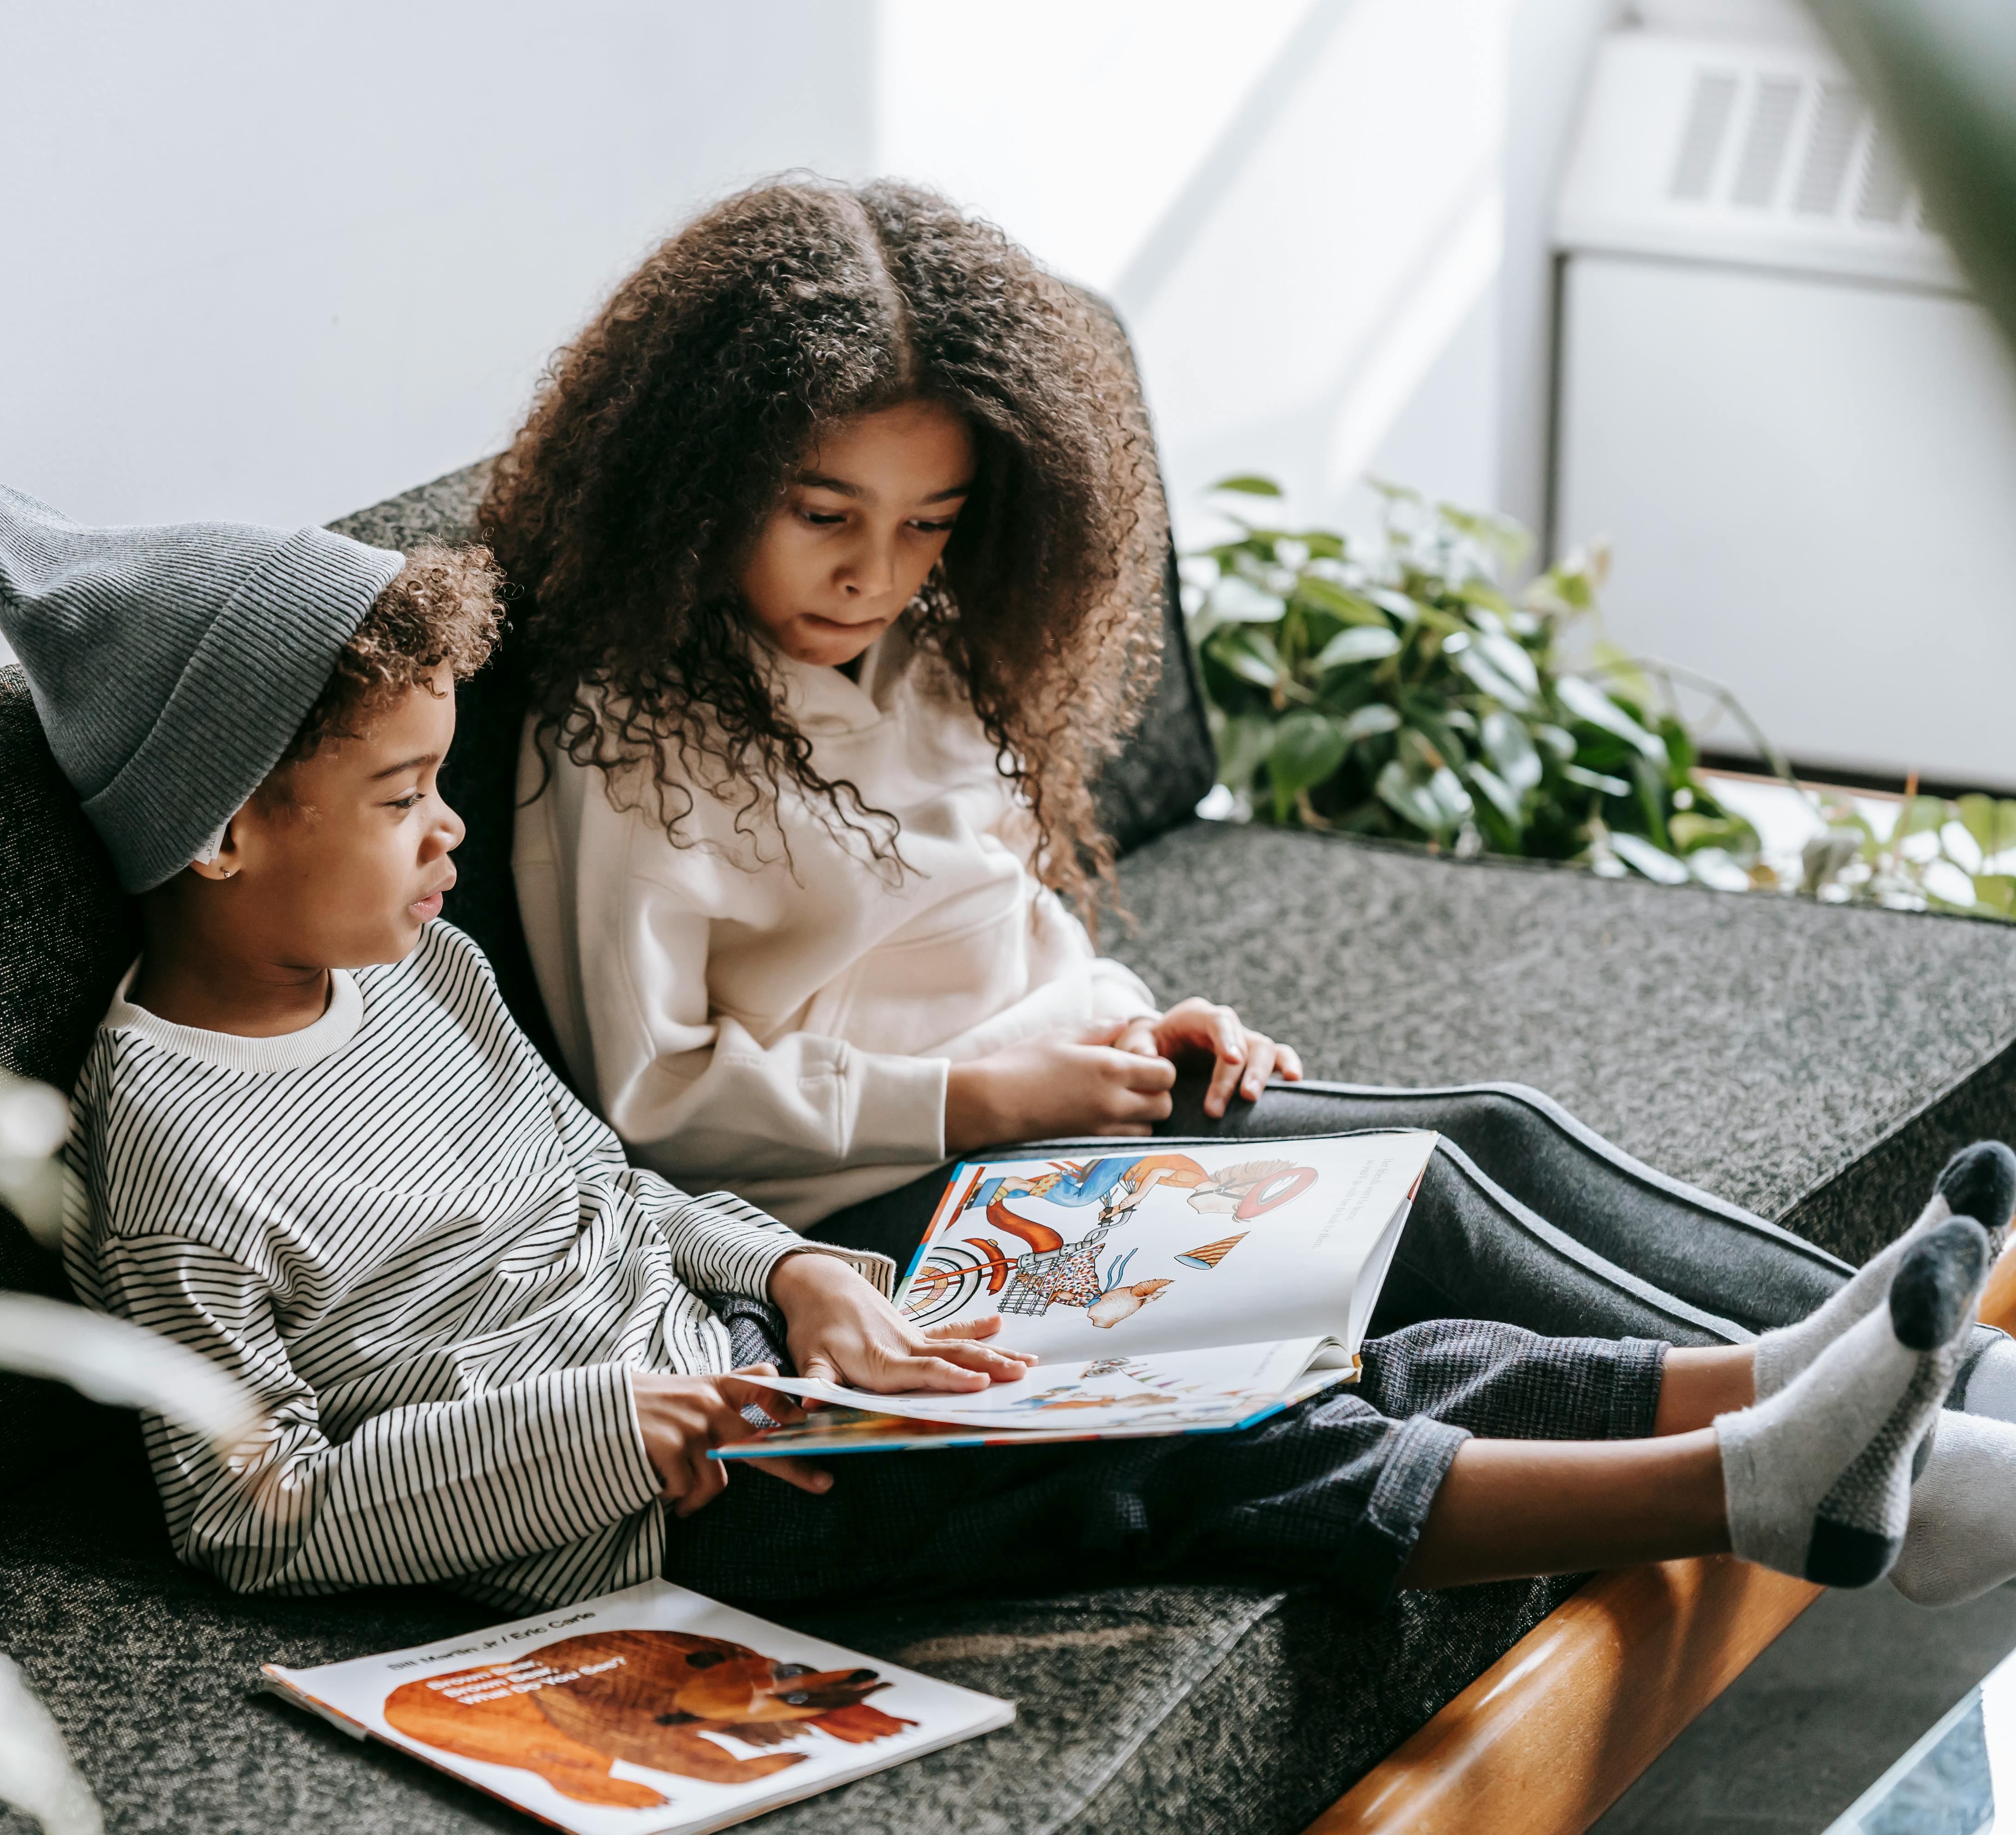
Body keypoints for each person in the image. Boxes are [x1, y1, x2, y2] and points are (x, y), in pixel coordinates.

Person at [0, 466, 2016, 1619]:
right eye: (402, 799)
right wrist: (629, 1429)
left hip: (775, 1370)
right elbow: (255, 1514)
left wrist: (808, 1270)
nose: (449, 832)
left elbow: (615, 1185)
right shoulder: (168, 1150)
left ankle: (1803, 1390)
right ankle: (1751, 1488)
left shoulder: (424, 979)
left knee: (1288, 1328)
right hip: (681, 1507)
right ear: (222, 831)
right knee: (1205, 1442)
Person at [480, 174, 2016, 1475]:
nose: (877, 571)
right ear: (693, 479)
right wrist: (985, 1100)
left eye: (930, 522)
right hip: (876, 1214)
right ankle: (1899, 1429)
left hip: (1057, 1121)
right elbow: (652, 1099)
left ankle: (1932, 1371)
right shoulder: (620, 736)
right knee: (1423, 1192)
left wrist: (1136, 1023)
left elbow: (1009, 928)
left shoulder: (924, 654)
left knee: (1493, 1124)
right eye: (826, 514)